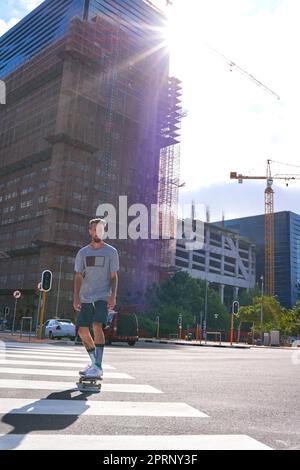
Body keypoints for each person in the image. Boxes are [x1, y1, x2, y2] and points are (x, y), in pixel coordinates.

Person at [73, 218, 119, 379]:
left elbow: (114, 276)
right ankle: (94, 363)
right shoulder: (83, 253)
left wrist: (113, 296)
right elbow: (78, 276)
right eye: (94, 229)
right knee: (81, 330)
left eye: (100, 229)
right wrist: (76, 297)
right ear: (90, 231)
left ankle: (98, 366)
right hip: (85, 296)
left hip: (102, 295)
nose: (97, 232)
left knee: (97, 325)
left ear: (103, 231)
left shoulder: (111, 252)